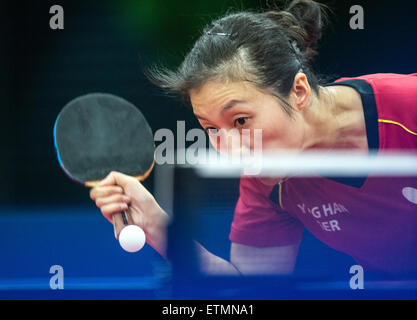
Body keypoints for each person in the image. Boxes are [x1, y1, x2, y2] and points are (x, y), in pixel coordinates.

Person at [90, 0, 417, 275]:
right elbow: (249, 290)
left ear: (298, 91)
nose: (230, 150)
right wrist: (158, 226)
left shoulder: (408, 108)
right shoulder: (266, 181)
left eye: (241, 120)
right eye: (212, 129)